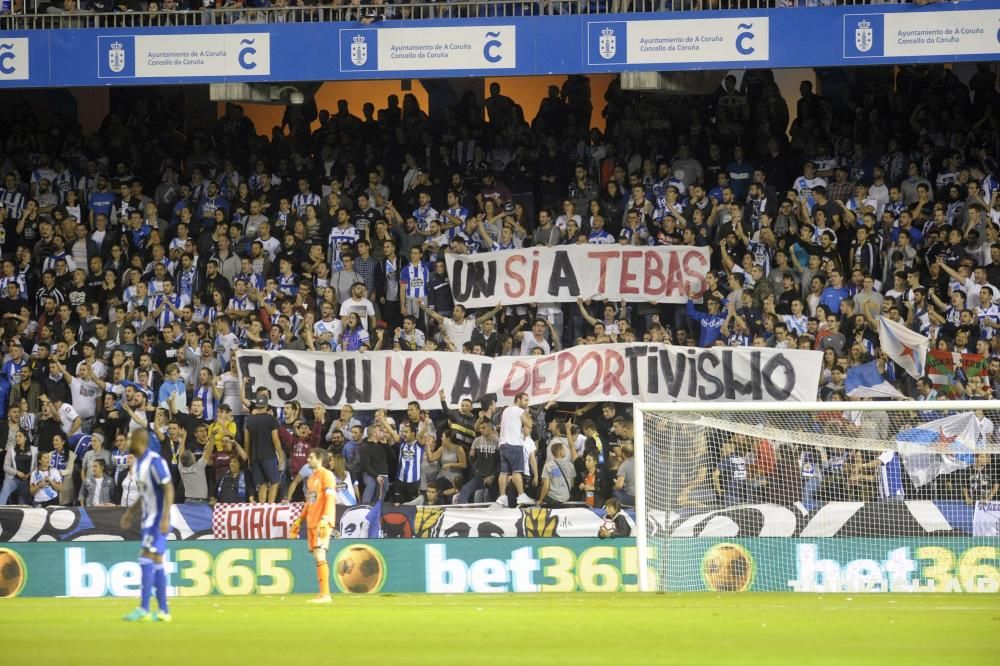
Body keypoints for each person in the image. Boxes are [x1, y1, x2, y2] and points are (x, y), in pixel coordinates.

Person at [120, 429, 174, 622]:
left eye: (128, 438)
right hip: (147, 518)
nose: (127, 442)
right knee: (157, 562)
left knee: (145, 557)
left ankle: (143, 608)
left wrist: (166, 517)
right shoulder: (140, 464)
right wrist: (130, 513)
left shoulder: (155, 461)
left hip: (157, 518)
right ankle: (163, 611)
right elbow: (145, 494)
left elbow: (168, 488)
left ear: (139, 441)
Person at [290, 448, 337, 604]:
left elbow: (330, 498)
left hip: (322, 522)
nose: (307, 459)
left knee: (319, 554)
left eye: (311, 457)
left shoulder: (327, 475)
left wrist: (325, 518)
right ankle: (323, 593)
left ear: (319, 459)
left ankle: (325, 595)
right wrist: (299, 520)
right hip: (311, 521)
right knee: (317, 556)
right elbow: (309, 502)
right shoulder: (311, 479)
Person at [495, 391, 534, 507]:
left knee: (504, 472)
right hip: (514, 444)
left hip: (503, 445)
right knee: (516, 471)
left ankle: (502, 497)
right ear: (518, 400)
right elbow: (530, 424)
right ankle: (521, 496)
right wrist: (527, 413)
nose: (527, 403)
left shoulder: (506, 410)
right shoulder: (520, 410)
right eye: (525, 400)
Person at [244, 394, 284, 504]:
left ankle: (262, 507)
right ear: (266, 406)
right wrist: (280, 455)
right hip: (268, 455)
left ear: (256, 406)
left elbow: (247, 441)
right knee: (275, 481)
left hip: (254, 456)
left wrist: (248, 457)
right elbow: (275, 439)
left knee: (262, 483)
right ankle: (270, 507)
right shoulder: (271, 420)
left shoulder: (249, 421)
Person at [537, 441, 575, 507]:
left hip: (553, 500)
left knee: (539, 490)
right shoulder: (570, 465)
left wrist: (540, 500)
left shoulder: (548, 466)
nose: (565, 452)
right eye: (564, 450)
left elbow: (546, 486)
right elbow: (572, 484)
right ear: (560, 453)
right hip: (566, 497)